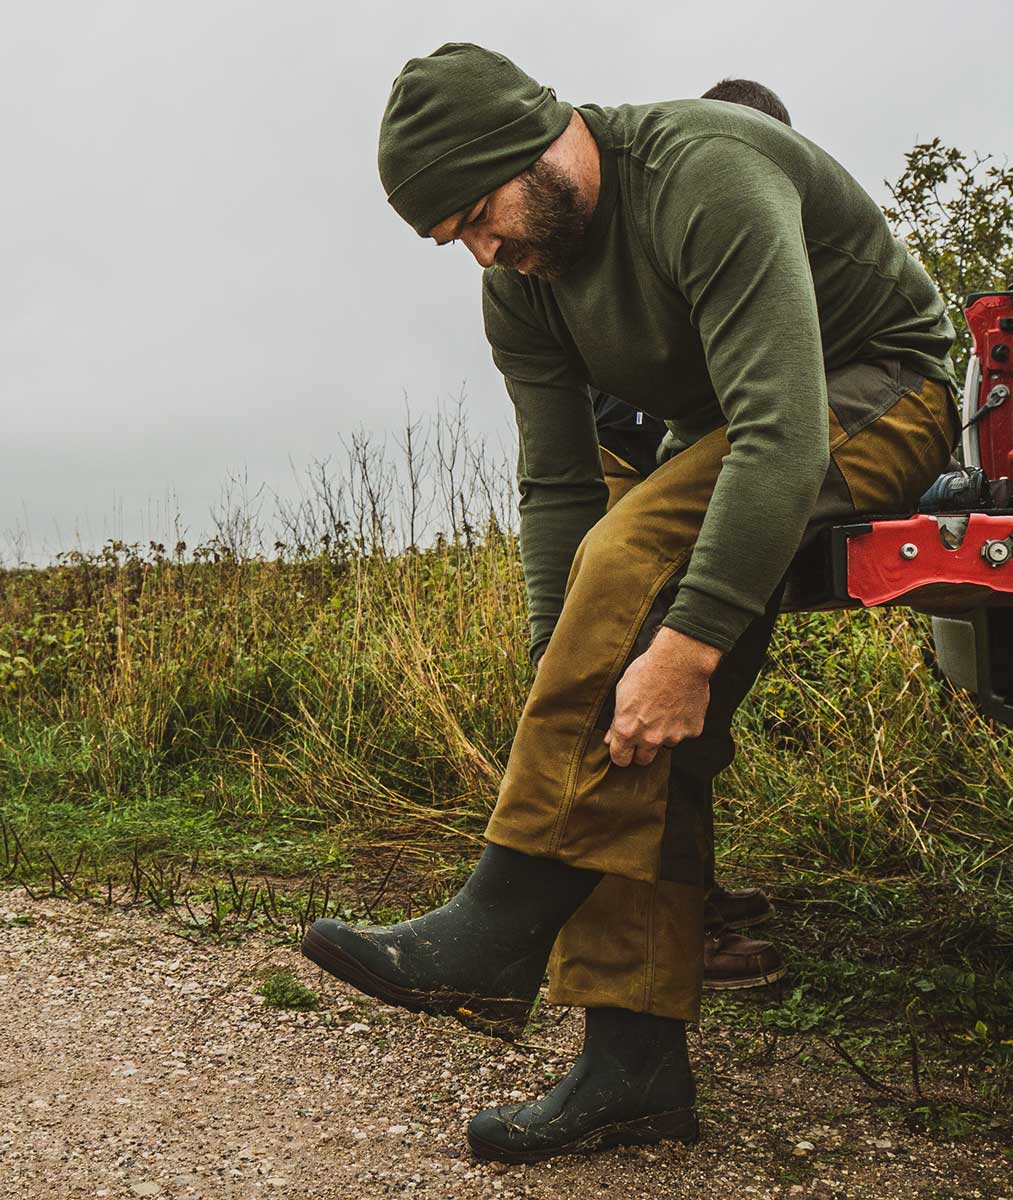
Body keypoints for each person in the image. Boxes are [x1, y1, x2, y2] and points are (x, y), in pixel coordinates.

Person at [303, 42, 957, 1163]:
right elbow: (558, 484)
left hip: (880, 390)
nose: (483, 249)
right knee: (623, 696)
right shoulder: (525, 283)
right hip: (730, 438)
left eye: (476, 215)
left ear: (533, 145)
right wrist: (566, 670)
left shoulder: (706, 174)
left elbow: (784, 436)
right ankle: (634, 1068)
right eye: (453, 238)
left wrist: (690, 644)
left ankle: (501, 918)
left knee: (633, 559)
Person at [592, 76, 793, 994]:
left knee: (688, 694)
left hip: (693, 471)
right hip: (640, 478)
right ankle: (666, 930)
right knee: (654, 692)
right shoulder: (669, 231)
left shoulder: (730, 226)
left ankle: (686, 900)